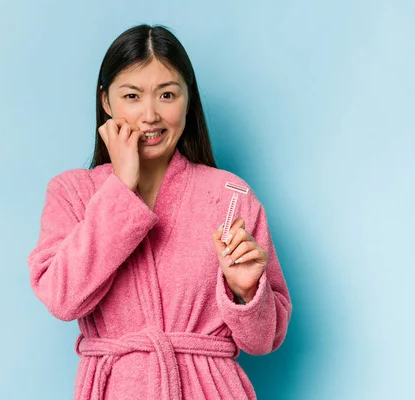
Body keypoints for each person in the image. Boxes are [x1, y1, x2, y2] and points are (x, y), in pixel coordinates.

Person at [27, 23, 292, 400]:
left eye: (167, 94)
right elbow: (62, 298)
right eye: (132, 96)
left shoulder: (230, 195)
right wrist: (120, 188)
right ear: (106, 102)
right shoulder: (73, 193)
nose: (150, 115)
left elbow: (264, 341)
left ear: (188, 99)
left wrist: (246, 292)